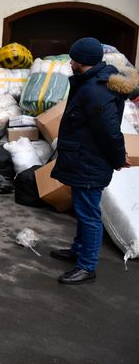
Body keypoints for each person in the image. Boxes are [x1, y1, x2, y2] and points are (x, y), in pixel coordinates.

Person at [49, 37, 133, 285]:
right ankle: (78, 251)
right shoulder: (90, 82)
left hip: (89, 160)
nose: (70, 62)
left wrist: (118, 157)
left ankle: (87, 267)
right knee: (82, 209)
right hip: (82, 157)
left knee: (89, 215)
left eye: (72, 58)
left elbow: (109, 132)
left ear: (81, 61)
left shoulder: (96, 91)